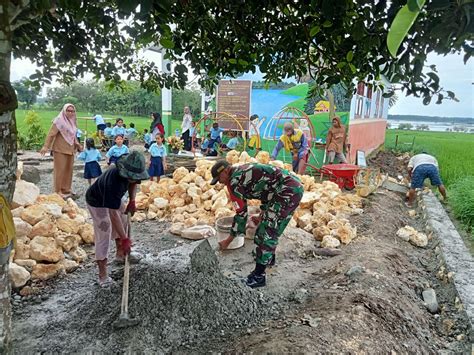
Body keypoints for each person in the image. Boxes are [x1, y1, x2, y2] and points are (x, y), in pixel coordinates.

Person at [211, 160, 304, 288]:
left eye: (219, 178)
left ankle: (259, 276)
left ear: (226, 171)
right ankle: (268, 258)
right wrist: (261, 215)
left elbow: (241, 215)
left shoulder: (234, 181)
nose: (220, 182)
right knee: (268, 226)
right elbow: (267, 190)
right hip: (289, 187)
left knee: (267, 232)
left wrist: (228, 241)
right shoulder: (242, 171)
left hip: (287, 190)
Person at [85, 151, 149, 286]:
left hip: (113, 198)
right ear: (125, 172)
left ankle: (120, 255)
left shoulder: (131, 172)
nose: (135, 179)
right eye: (132, 177)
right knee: (105, 231)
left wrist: (132, 201)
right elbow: (113, 216)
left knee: (124, 218)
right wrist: (125, 238)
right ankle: (102, 275)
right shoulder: (113, 182)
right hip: (97, 201)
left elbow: (133, 183)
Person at [40, 103, 83, 199]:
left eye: (72, 111)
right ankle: (57, 190)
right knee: (59, 170)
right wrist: (45, 146)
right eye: (68, 111)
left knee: (69, 169)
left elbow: (73, 135)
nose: (71, 113)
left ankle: (66, 188)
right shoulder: (59, 121)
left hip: (70, 149)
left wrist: (78, 144)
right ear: (64, 111)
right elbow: (51, 134)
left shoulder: (73, 121)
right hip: (60, 149)